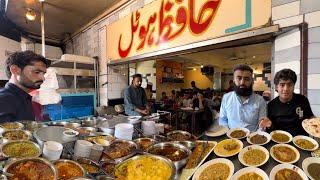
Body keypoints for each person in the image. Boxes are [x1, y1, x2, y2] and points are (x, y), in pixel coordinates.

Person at [259, 69, 315, 136]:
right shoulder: (271, 105)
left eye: (289, 85)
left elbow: (310, 117)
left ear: (293, 86)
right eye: (282, 85)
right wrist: (269, 125)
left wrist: (316, 122)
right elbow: (270, 127)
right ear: (277, 87)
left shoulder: (302, 100)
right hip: (279, 141)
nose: (286, 89)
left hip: (301, 140)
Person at [0, 51, 50, 122]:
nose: (43, 78)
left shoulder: (26, 98)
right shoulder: (3, 99)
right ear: (15, 70)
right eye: (37, 72)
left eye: (43, 74)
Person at [219, 64, 266, 131]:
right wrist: (227, 133)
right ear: (234, 80)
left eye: (246, 79)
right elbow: (222, 120)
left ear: (252, 81)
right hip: (231, 138)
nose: (242, 82)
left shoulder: (260, 100)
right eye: (239, 78)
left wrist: (255, 138)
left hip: (252, 138)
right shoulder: (226, 98)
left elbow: (262, 125)